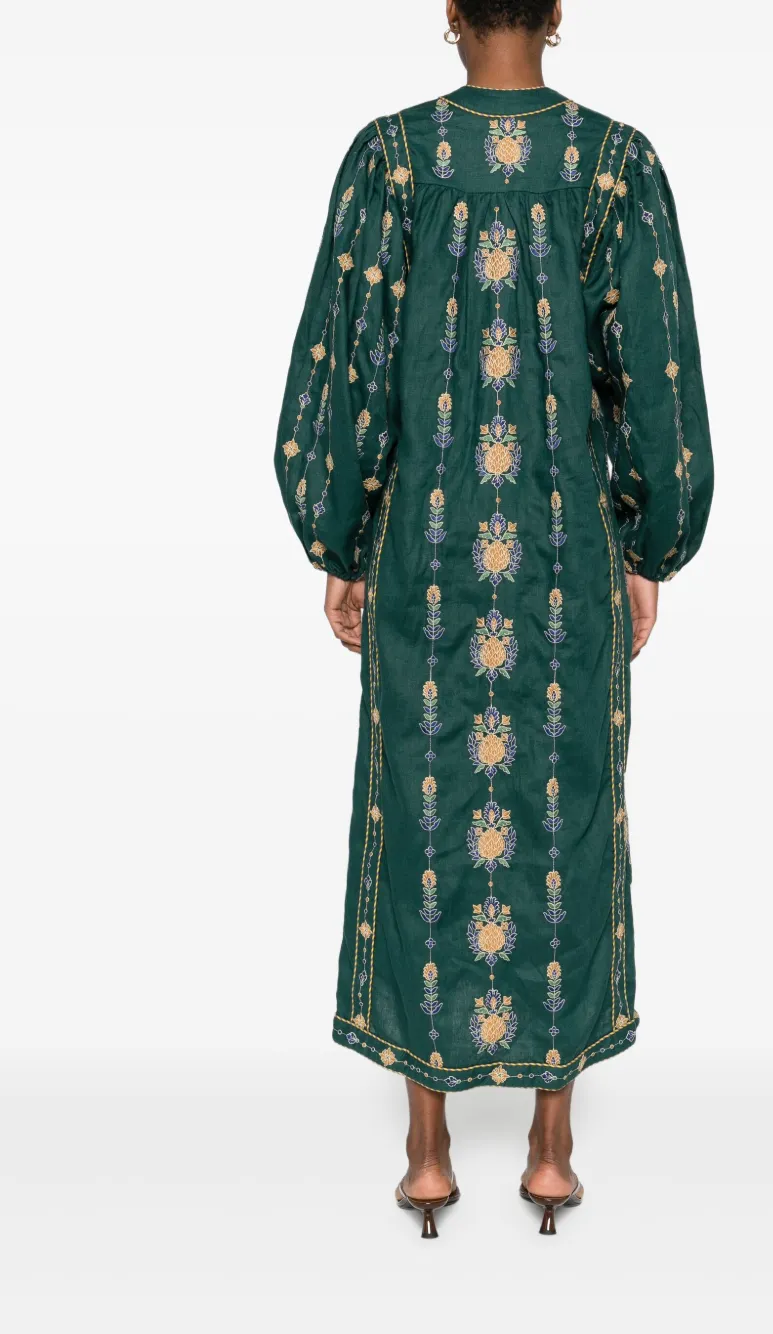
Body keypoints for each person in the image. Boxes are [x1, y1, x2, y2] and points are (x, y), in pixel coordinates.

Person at [274, 0, 713, 1238]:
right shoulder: (614, 165)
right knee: (563, 812)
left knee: (423, 809)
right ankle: (551, 1147)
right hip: (569, 557)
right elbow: (654, 376)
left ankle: (426, 1151)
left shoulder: (392, 160)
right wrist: (649, 543)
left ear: (449, 14)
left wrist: (342, 540)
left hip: (423, 552)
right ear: (557, 13)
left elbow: (348, 370)